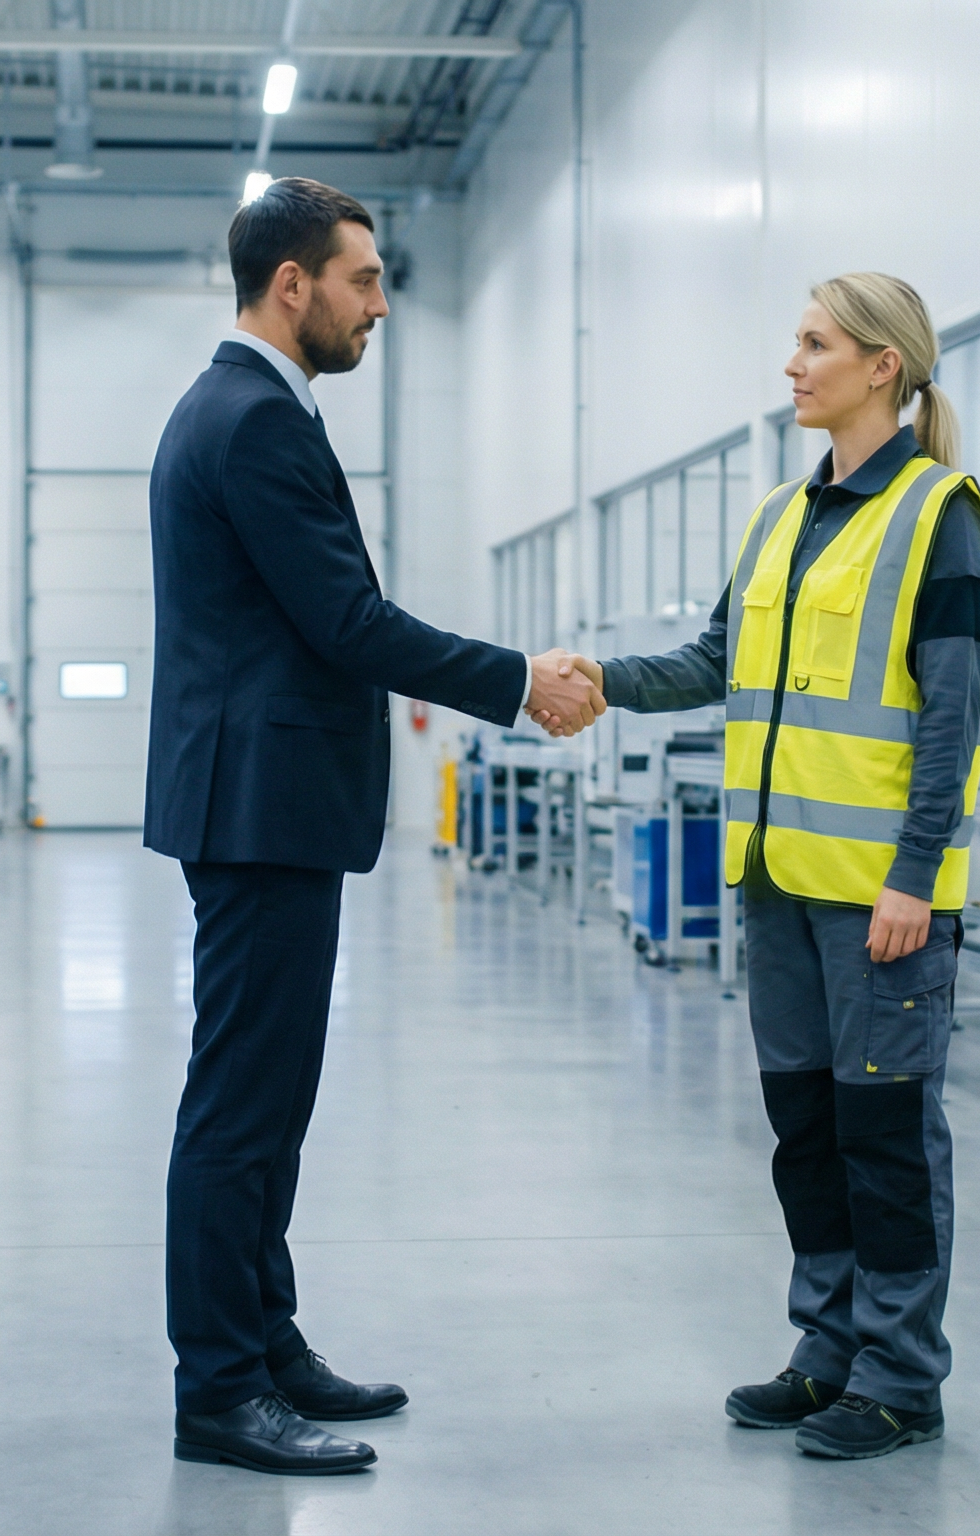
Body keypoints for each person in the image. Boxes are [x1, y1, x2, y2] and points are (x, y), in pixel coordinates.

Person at [144, 176, 605, 1477]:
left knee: (267, 1102)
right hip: (260, 811)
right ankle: (219, 1389)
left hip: (265, 806)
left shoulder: (248, 411)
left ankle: (265, 1342)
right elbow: (347, 624)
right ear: (291, 285)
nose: (380, 305)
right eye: (363, 279)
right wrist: (521, 681)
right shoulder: (247, 422)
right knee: (240, 1108)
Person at [565, 272, 980, 1461]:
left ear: (882, 366)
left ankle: (902, 1376)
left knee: (887, 1133)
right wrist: (602, 682)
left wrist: (916, 874)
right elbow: (717, 658)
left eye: (813, 344)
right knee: (804, 1127)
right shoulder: (780, 515)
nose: (791, 364)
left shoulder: (939, 516)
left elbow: (950, 722)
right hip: (775, 885)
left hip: (879, 899)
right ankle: (827, 1353)